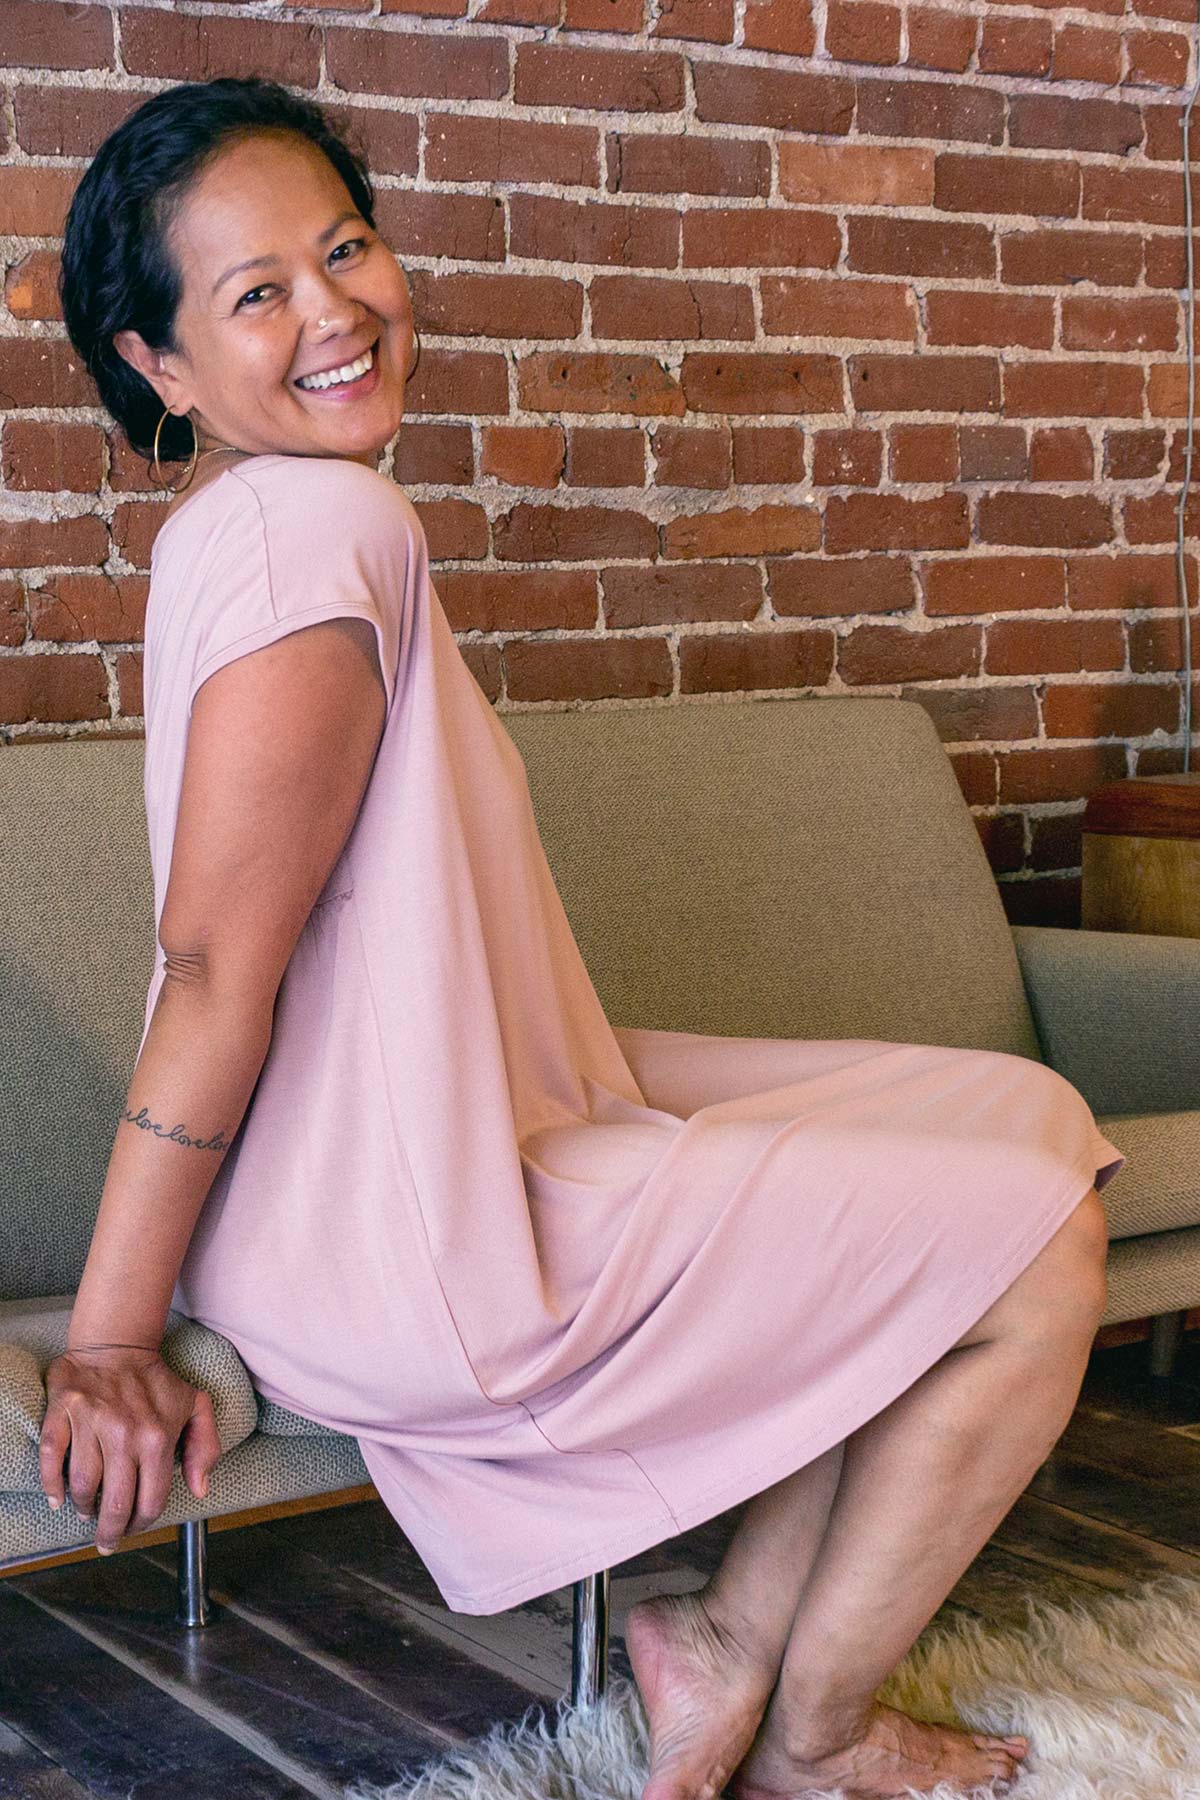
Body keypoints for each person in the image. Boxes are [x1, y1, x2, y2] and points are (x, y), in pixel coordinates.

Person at [46, 75, 1126, 1800]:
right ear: (162, 367)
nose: (334, 310)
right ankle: (816, 1736)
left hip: (445, 1144)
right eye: (258, 294)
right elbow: (212, 969)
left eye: (346, 248)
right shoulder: (325, 525)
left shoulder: (254, 529)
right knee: (1030, 1245)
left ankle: (718, 1639)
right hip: (411, 1239)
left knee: (1013, 1123)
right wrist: (107, 1339)